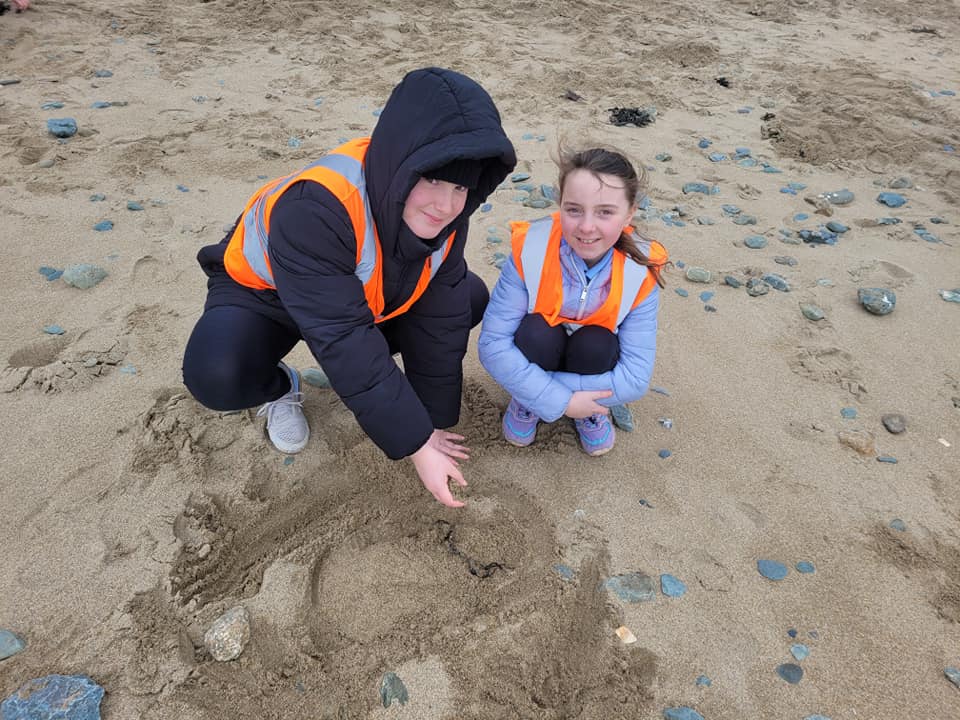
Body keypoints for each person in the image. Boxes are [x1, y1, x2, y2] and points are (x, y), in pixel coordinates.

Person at [182, 67, 516, 508]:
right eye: (433, 179)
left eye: (460, 187)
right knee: (215, 375)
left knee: (467, 296)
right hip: (266, 295)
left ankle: (393, 399)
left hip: (359, 293)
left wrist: (431, 424)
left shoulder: (450, 214)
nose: (446, 204)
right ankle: (279, 388)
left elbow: (441, 318)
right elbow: (342, 336)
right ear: (400, 163)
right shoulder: (315, 208)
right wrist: (414, 444)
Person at [478, 145, 667, 456]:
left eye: (605, 211)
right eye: (574, 209)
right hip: (540, 347)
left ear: (630, 213)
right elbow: (492, 343)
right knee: (535, 331)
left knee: (597, 343)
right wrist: (563, 401)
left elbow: (636, 378)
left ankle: (579, 408)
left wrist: (561, 394)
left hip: (592, 359)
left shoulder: (641, 270)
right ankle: (529, 401)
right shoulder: (531, 249)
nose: (586, 227)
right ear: (560, 204)